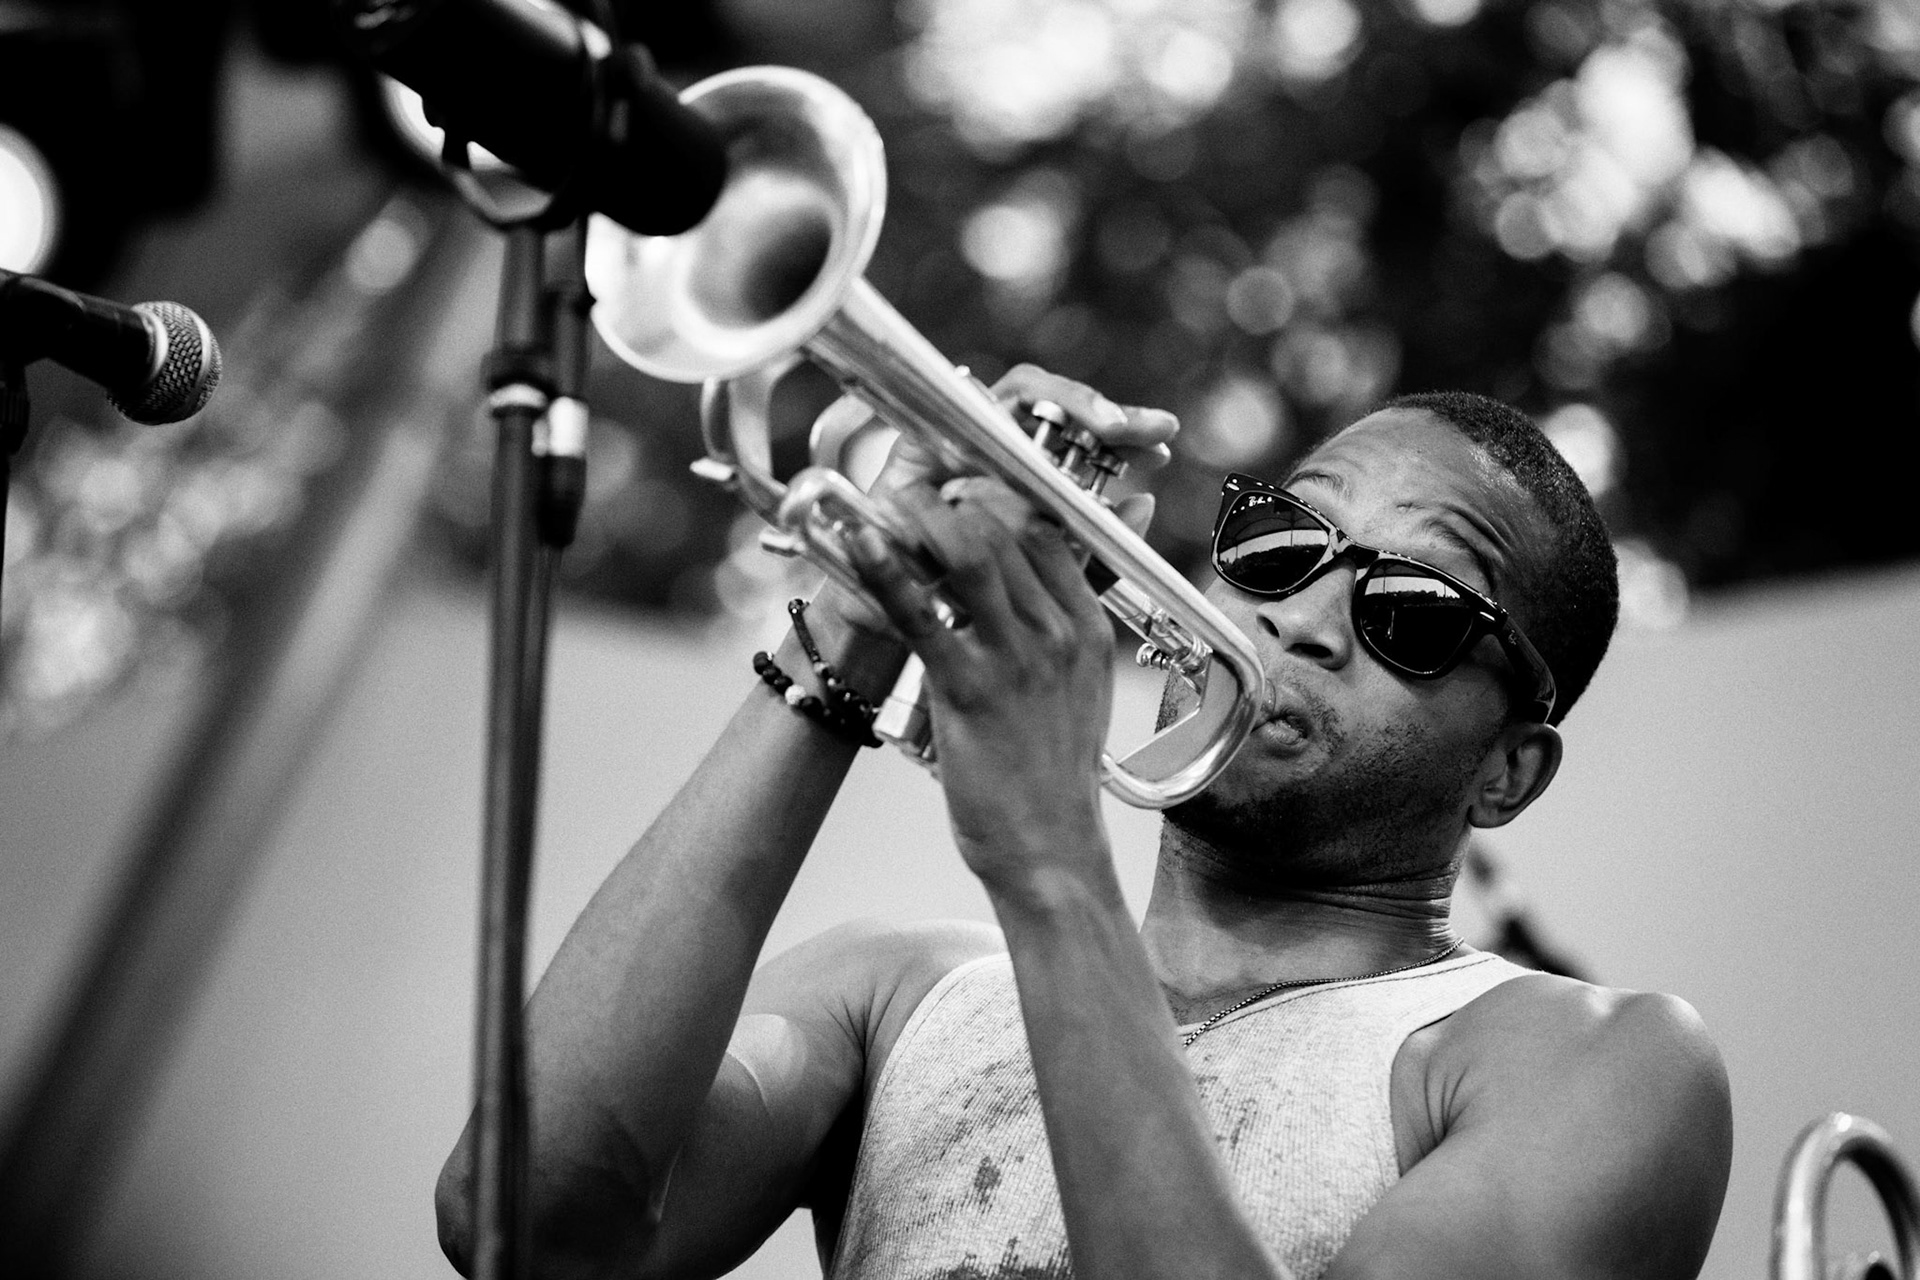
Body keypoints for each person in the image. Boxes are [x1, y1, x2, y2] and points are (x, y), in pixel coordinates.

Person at [436, 367, 1733, 1280]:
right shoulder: (897, 993)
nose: (1301, 618)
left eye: (1416, 612)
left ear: (1509, 772)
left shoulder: (1595, 1064)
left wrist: (1054, 867)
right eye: (1283, 545)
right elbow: (526, 1223)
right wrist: (854, 612)